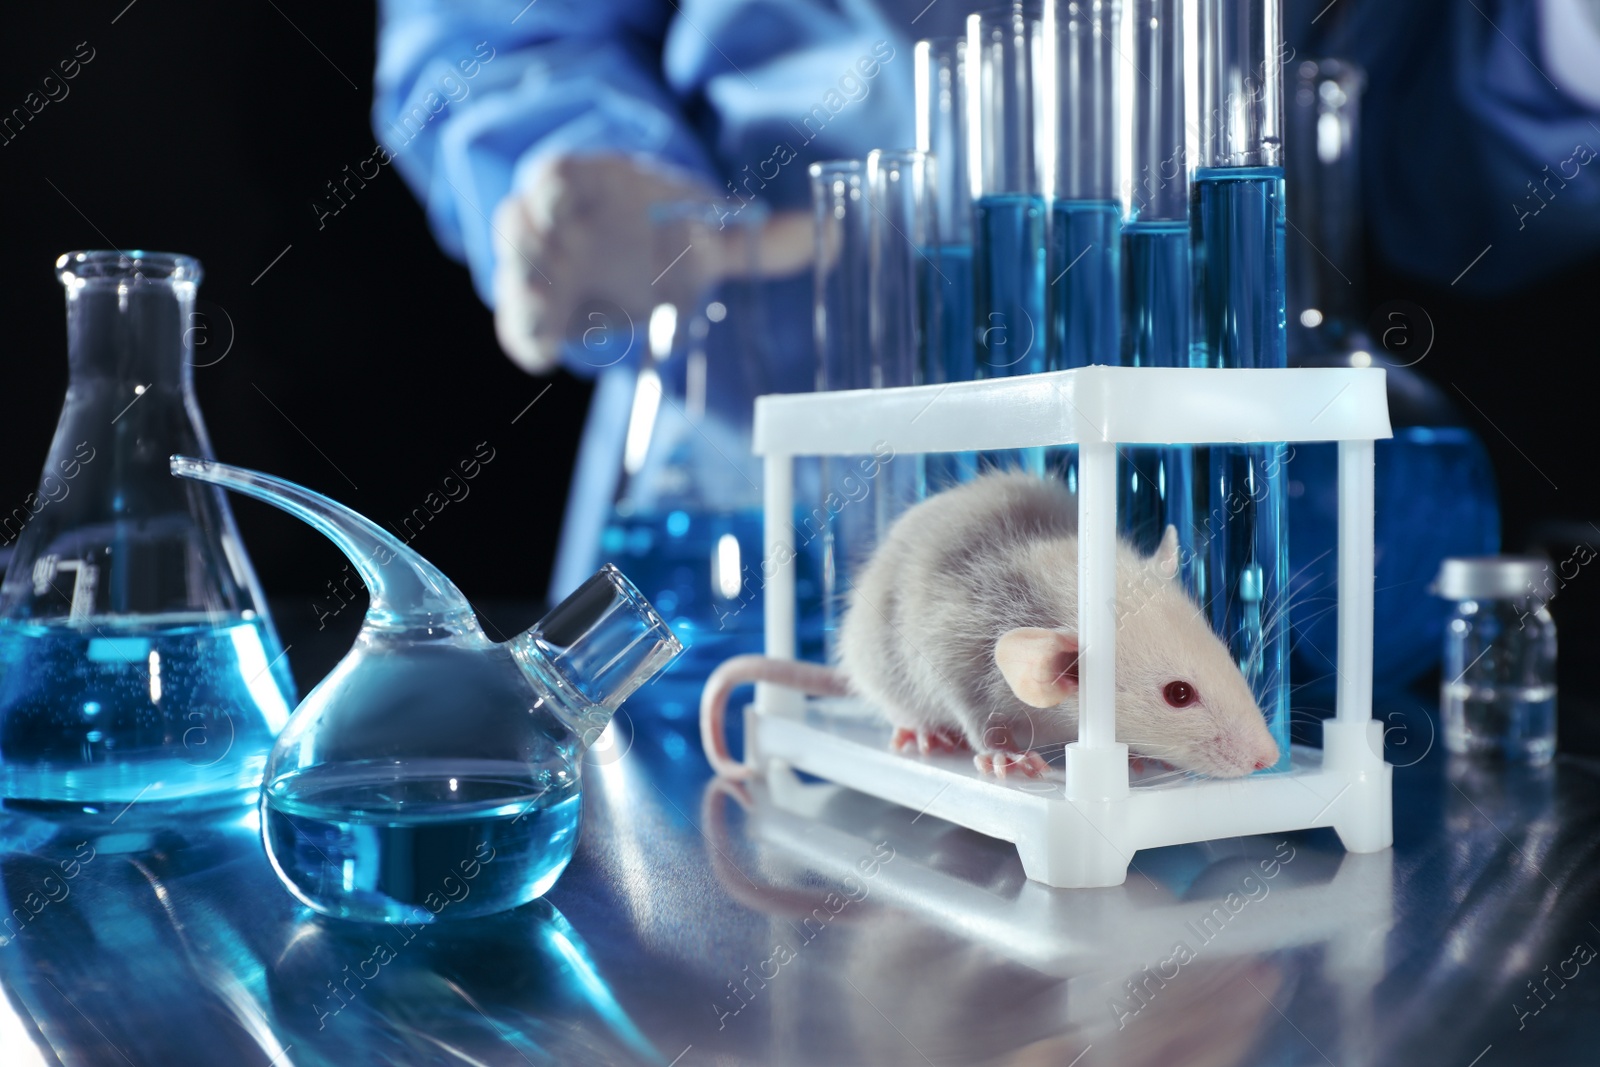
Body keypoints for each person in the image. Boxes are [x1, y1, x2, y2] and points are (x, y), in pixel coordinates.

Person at [372, 0, 1600, 599]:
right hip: (761, 521)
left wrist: (1564, 55)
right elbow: (494, 35)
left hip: (1225, 554)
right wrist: (564, 171)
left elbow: (1413, 158)